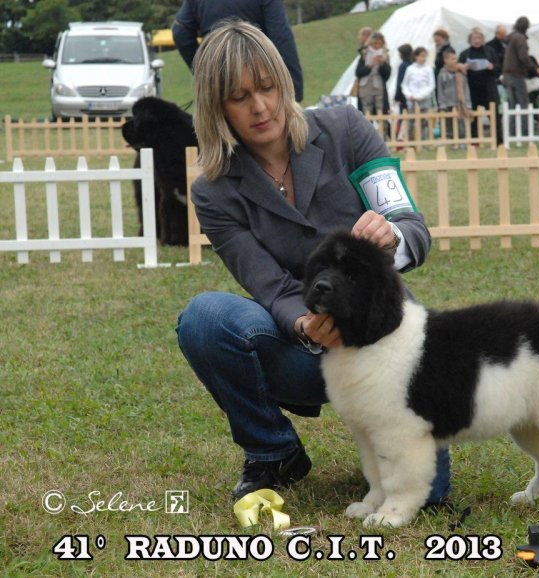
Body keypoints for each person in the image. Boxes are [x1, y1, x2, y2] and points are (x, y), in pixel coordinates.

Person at [176, 20, 451, 504]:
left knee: (429, 495)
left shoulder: (346, 128)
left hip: (384, 345)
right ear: (216, 107)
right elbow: (270, 287)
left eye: (266, 87)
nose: (260, 107)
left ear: (283, 83)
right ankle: (272, 450)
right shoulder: (213, 192)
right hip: (304, 354)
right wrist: (305, 325)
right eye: (239, 97)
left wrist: (393, 236)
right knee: (205, 319)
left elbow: (413, 227)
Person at [171, 0, 303, 102]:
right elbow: (281, 37)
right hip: (261, 85)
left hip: (222, 87)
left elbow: (180, 32)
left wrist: (207, 76)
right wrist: (294, 91)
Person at [459, 27, 501, 142]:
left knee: (494, 115)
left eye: (479, 38)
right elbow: (458, 69)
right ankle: (474, 141)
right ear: (470, 39)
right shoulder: (464, 54)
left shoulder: (490, 51)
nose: (476, 40)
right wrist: (464, 68)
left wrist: (492, 67)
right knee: (473, 116)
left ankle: (498, 140)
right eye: (474, 38)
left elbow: (498, 67)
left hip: (488, 88)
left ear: (482, 39)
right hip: (472, 89)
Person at [401, 46, 437, 142]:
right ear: (416, 56)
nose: (423, 58)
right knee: (411, 120)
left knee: (424, 121)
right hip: (412, 99)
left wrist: (421, 95)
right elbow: (405, 84)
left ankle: (423, 140)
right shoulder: (410, 69)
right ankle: (410, 140)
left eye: (425, 56)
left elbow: (431, 85)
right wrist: (409, 95)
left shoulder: (428, 69)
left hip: (424, 99)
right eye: (421, 56)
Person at [437, 46, 471, 144]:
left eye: (456, 58)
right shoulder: (442, 74)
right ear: (445, 60)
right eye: (452, 59)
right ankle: (451, 142)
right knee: (449, 125)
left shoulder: (461, 72)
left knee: (461, 124)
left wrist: (468, 104)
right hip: (448, 104)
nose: (455, 61)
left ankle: (462, 142)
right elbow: (440, 90)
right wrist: (442, 104)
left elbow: (465, 89)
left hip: (460, 103)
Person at [356, 31, 391, 117]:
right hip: (365, 87)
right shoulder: (364, 54)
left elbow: (387, 75)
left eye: (380, 44)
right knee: (366, 114)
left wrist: (382, 64)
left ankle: (383, 130)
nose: (377, 46)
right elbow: (358, 72)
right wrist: (370, 65)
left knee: (382, 113)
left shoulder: (385, 55)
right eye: (375, 43)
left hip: (379, 88)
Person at [503, 16, 533, 113]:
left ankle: (512, 128)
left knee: (512, 105)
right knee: (523, 104)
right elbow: (523, 57)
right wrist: (534, 68)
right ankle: (523, 128)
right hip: (517, 75)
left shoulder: (511, 38)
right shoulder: (520, 38)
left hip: (507, 75)